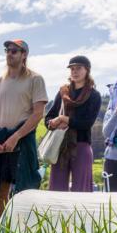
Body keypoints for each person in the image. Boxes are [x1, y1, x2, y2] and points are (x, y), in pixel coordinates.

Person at [0, 40, 47, 219]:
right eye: (7, 50)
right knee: (0, 190)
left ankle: (25, 232)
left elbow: (38, 114)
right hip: (0, 140)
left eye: (14, 51)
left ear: (24, 54)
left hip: (23, 141)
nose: (9, 53)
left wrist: (16, 137)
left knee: (25, 191)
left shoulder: (35, 79)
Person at [45, 56, 101, 192]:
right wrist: (53, 122)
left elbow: (87, 123)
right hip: (60, 145)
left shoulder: (94, 95)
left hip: (81, 145)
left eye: (79, 68)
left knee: (82, 190)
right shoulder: (63, 92)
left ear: (87, 70)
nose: (74, 71)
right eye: (72, 69)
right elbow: (48, 119)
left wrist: (65, 120)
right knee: (56, 189)